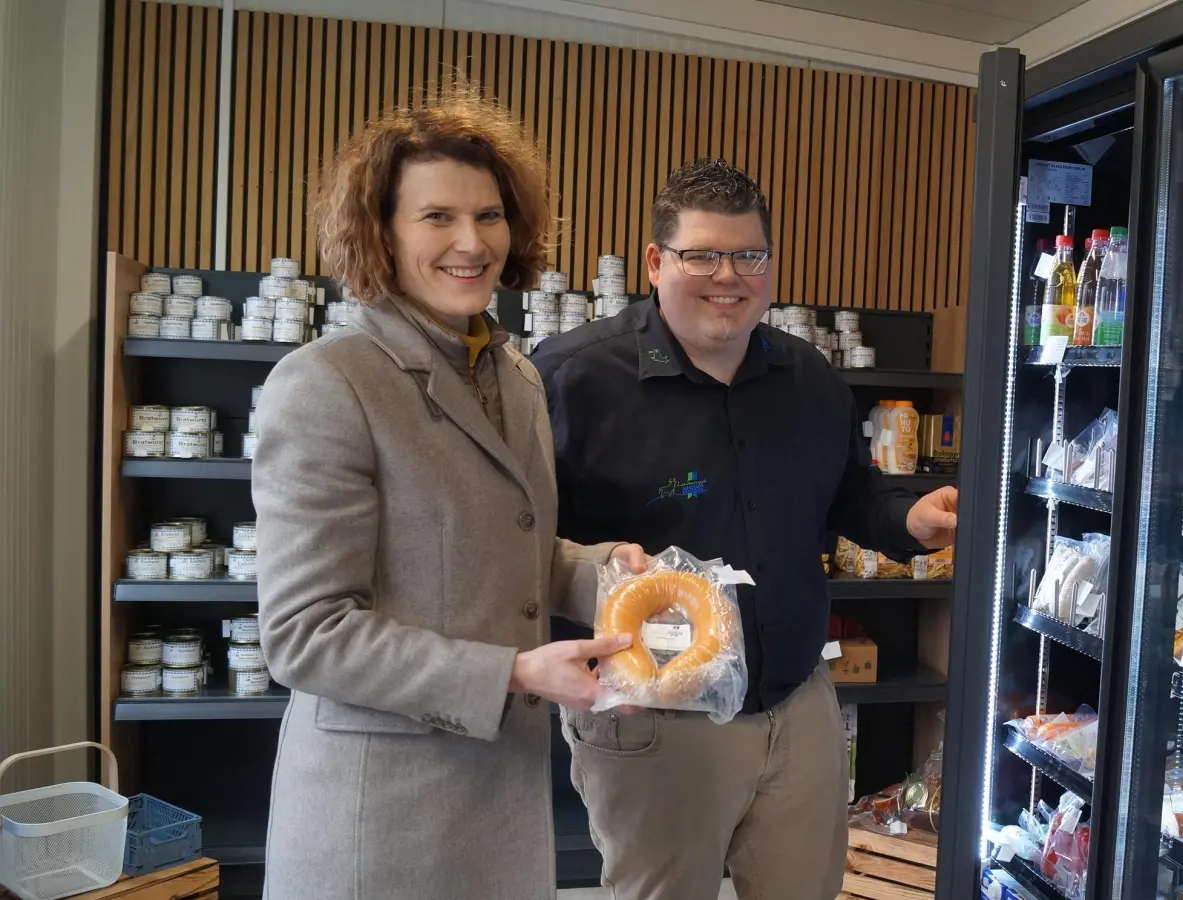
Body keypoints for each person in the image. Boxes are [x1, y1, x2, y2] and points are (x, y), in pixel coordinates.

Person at [251, 90, 647, 900]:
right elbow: (304, 635)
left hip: (500, 804)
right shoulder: (328, 383)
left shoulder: (517, 377)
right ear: (382, 232)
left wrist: (607, 573)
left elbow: (510, 550)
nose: (472, 243)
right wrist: (515, 672)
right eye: (437, 217)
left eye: (490, 215)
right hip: (383, 822)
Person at [532, 158, 960, 900]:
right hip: (655, 717)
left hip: (797, 704)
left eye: (748, 255)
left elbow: (851, 496)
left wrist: (908, 521)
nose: (727, 275)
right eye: (702, 254)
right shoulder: (572, 380)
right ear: (656, 262)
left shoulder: (809, 376)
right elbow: (525, 545)